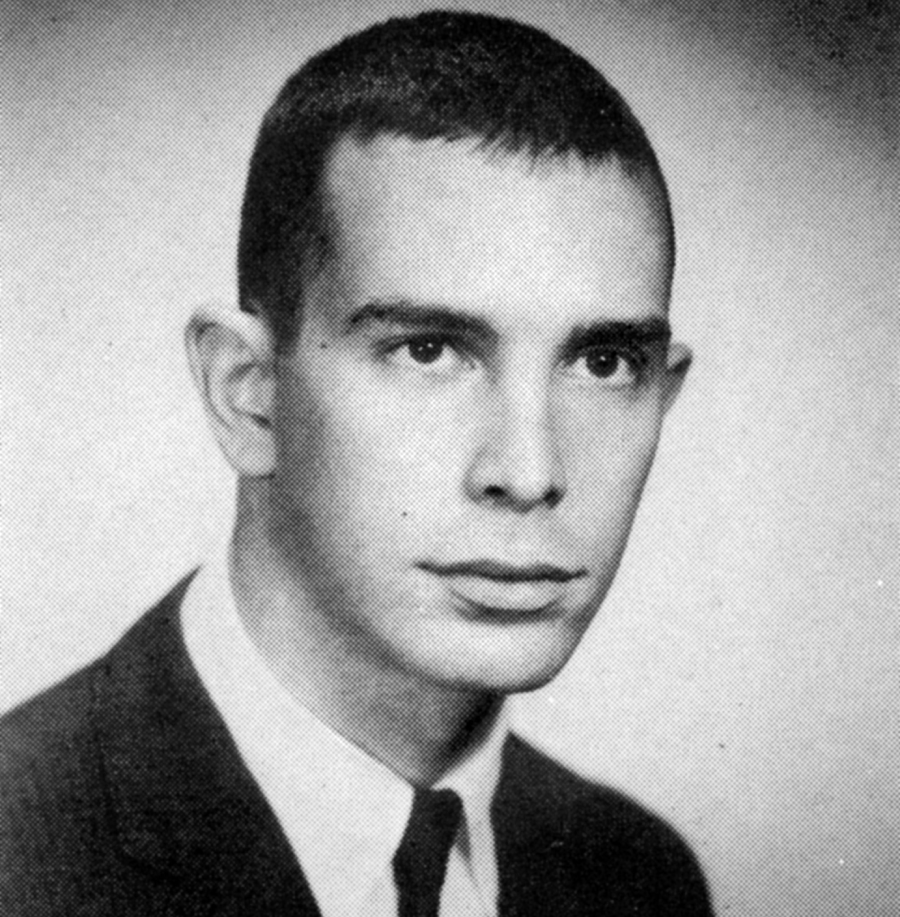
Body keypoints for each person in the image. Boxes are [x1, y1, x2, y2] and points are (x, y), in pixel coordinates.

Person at [0, 11, 713, 916]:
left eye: (604, 364)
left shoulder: (637, 877)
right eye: (428, 350)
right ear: (247, 392)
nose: (530, 471)